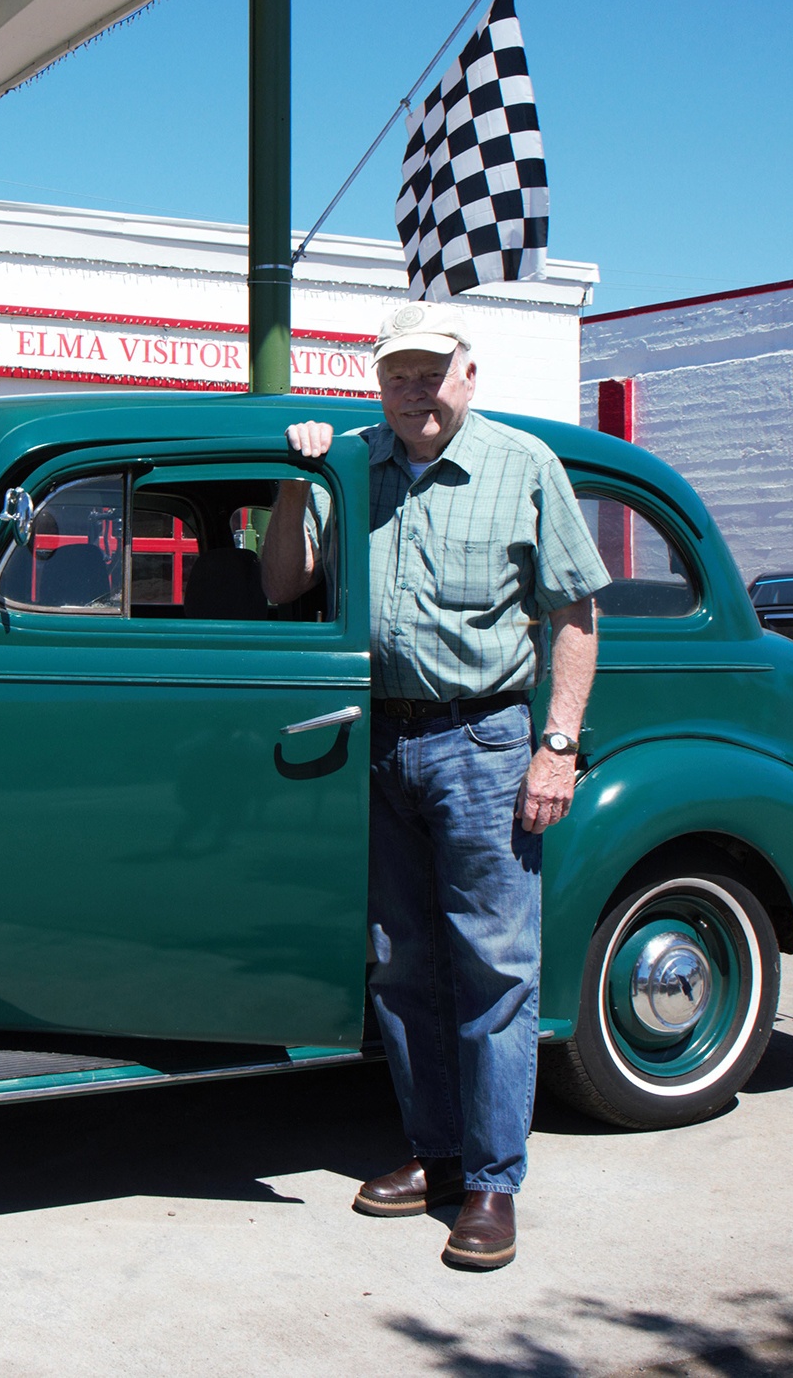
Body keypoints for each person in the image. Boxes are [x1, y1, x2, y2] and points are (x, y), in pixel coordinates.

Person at [261, 301, 609, 1271]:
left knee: (493, 968)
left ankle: (492, 1184)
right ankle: (436, 1153)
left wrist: (556, 744)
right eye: (395, 375)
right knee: (398, 962)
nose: (413, 390)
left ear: (466, 374)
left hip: (483, 740)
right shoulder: (348, 463)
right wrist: (298, 478)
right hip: (373, 744)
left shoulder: (519, 467)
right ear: (377, 384)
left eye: (429, 371)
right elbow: (282, 584)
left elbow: (572, 615)